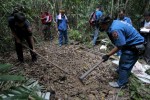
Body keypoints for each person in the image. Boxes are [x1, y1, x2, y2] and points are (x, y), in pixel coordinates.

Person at [99, 16, 145, 88]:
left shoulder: (115, 29)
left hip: (134, 46)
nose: (101, 27)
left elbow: (119, 46)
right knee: (124, 61)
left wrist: (107, 55)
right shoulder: (114, 22)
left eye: (102, 25)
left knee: (124, 65)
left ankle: (122, 83)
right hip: (134, 44)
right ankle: (122, 73)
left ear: (106, 23)